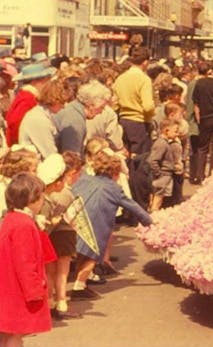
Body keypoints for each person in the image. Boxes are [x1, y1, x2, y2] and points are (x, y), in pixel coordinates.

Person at [69, 150, 152, 300]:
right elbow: (134, 207)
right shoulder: (114, 189)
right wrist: (150, 222)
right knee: (91, 256)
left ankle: (88, 277)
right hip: (96, 225)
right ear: (115, 172)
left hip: (75, 219)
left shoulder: (84, 179)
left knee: (80, 253)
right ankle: (79, 287)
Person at [0, 173, 50, 347]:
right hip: (17, 290)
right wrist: (35, 291)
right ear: (31, 200)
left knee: (5, 332)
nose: (43, 201)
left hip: (7, 285)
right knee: (15, 334)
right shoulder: (24, 225)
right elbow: (25, 262)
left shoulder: (10, 219)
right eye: (40, 197)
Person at [36, 153, 80, 320]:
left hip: (50, 237)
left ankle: (48, 302)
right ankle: (61, 302)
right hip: (63, 233)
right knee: (62, 271)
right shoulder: (64, 194)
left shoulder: (42, 194)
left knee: (49, 270)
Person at [4, 63, 56, 147]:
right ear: (35, 82)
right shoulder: (27, 99)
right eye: (46, 79)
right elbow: (15, 124)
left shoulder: (29, 96)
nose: (49, 83)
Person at [18, 80, 66, 160]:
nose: (63, 107)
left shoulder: (43, 115)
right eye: (62, 103)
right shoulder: (38, 119)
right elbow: (50, 154)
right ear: (54, 100)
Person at [147, 119, 182, 212]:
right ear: (166, 131)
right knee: (158, 195)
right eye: (175, 131)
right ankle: (154, 213)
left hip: (165, 174)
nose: (177, 134)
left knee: (160, 195)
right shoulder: (161, 143)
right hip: (163, 174)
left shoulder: (164, 143)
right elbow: (153, 160)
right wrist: (158, 173)